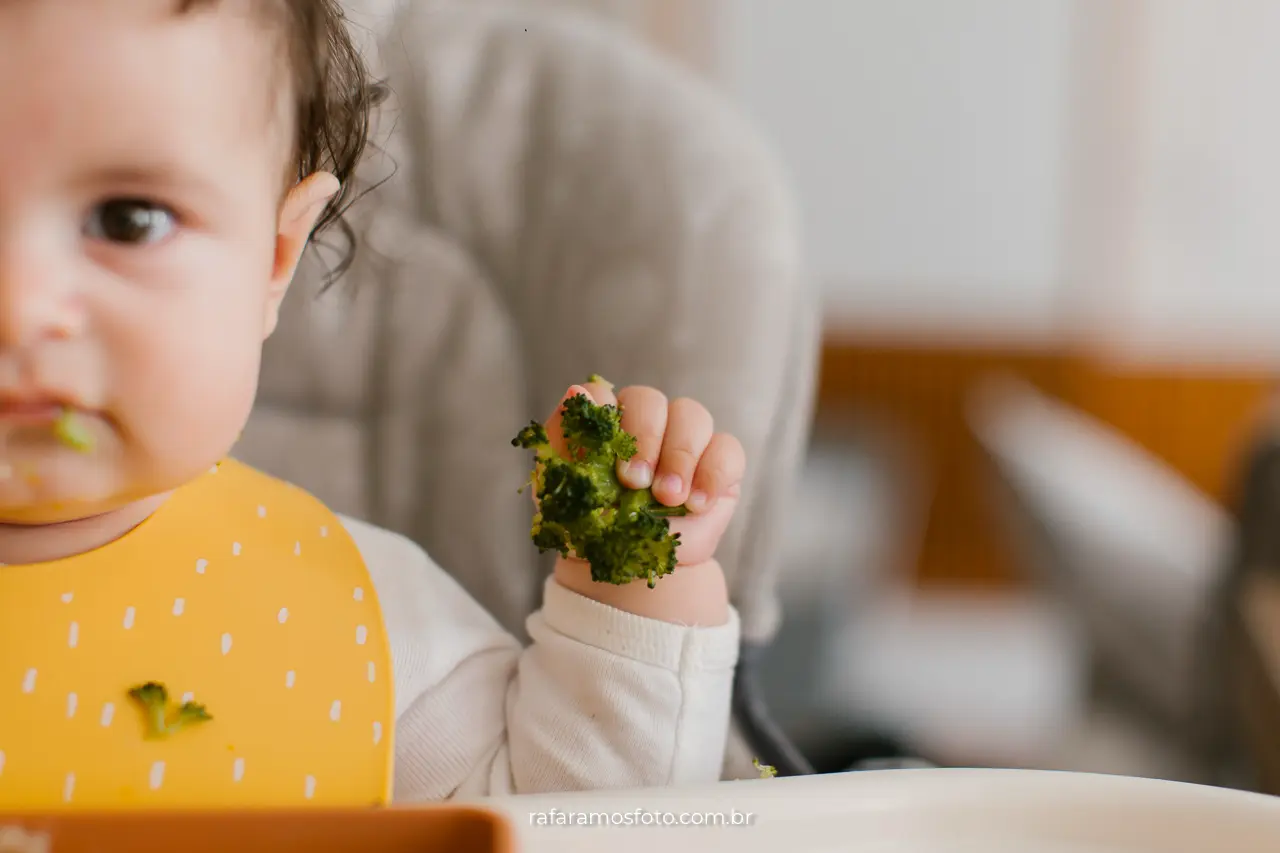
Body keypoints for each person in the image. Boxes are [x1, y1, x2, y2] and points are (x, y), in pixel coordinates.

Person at [0, 0, 745, 808]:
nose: (21, 305)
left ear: (273, 259)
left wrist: (626, 594)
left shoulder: (360, 624)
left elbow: (568, 820)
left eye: (128, 219)